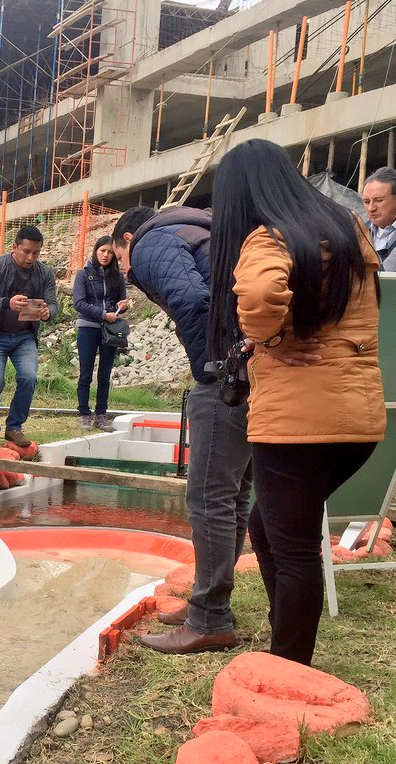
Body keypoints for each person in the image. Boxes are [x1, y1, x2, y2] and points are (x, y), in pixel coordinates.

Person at [209, 139, 385, 667]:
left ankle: (289, 666)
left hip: (297, 423)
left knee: (294, 548)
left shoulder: (269, 237)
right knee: (268, 528)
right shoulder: (347, 228)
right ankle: (284, 637)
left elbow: (259, 295)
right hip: (359, 418)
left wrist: (269, 337)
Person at [112, 205, 251, 654]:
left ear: (127, 239)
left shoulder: (151, 242)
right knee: (233, 495)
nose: (125, 270)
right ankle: (211, 604)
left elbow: (191, 300)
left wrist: (210, 369)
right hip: (256, 366)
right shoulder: (198, 231)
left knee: (209, 498)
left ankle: (209, 619)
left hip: (229, 372)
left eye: (120, 259)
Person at [0, 225, 57, 450]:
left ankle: (14, 426)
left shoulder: (45, 273)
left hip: (25, 337)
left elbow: (53, 304)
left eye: (36, 253)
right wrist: (7, 303)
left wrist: (48, 313)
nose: (30, 257)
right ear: (14, 247)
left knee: (29, 377)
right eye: (26, 252)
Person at [72, 236, 129, 430]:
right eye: (102, 251)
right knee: (85, 374)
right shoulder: (83, 274)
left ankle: (101, 414)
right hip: (88, 327)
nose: (106, 255)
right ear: (96, 251)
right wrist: (104, 314)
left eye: (110, 252)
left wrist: (122, 306)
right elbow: (79, 303)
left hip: (110, 330)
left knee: (105, 374)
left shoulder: (117, 276)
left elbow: (121, 301)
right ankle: (84, 413)